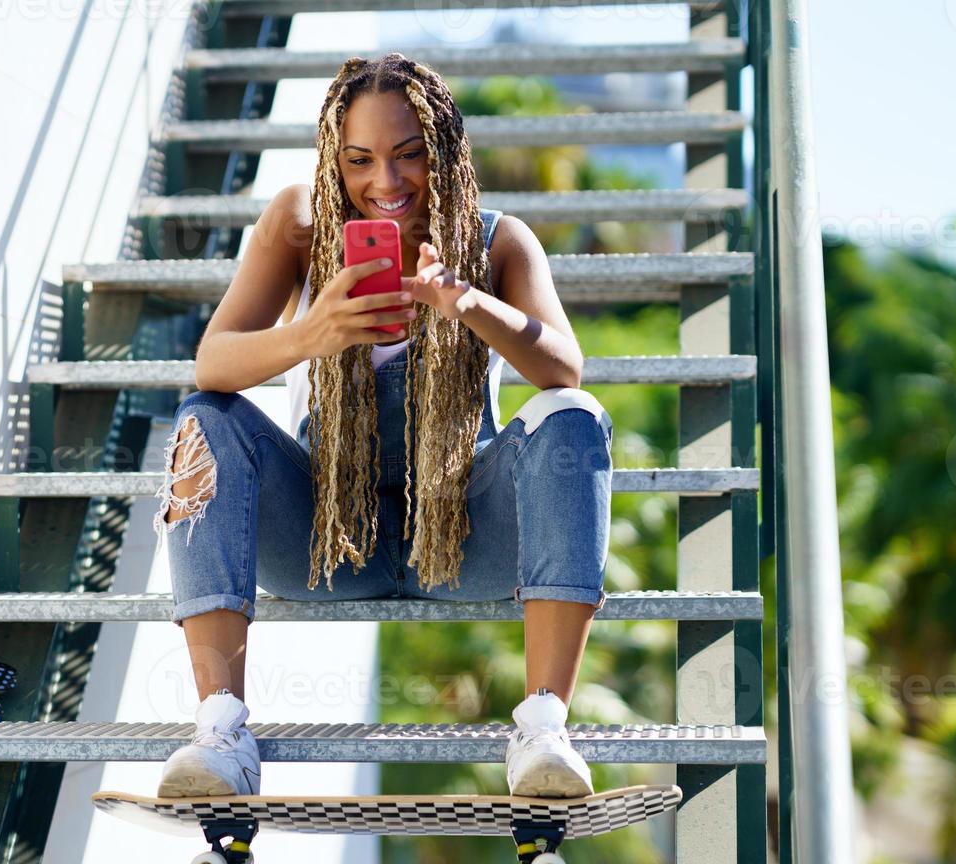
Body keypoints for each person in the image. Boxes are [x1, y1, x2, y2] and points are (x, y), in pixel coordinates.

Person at [149, 54, 613, 800]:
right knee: (207, 420)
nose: (385, 184)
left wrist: (466, 304)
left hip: (462, 539)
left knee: (573, 419)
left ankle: (544, 729)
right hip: (328, 540)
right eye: (360, 160)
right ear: (335, 158)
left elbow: (564, 366)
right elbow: (213, 361)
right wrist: (311, 334)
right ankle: (221, 731)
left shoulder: (498, 242)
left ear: (446, 152)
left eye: (409, 156)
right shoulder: (298, 227)